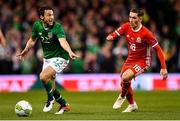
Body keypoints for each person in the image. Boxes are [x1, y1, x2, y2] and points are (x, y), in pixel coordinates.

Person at [17, 6, 79, 114]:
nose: (52, 17)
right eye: (48, 15)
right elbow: (32, 40)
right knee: (51, 86)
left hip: (60, 57)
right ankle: (64, 105)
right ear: (42, 17)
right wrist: (25, 50)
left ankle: (50, 99)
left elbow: (62, 41)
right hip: (47, 58)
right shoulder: (37, 26)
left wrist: (69, 51)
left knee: (43, 76)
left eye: (52, 15)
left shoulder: (57, 27)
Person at [106, 8, 168, 112]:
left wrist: (163, 68)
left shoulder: (146, 33)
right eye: (129, 17)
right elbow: (116, 33)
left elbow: (159, 50)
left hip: (142, 61)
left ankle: (121, 96)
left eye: (133, 17)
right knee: (123, 82)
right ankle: (132, 105)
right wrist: (111, 36)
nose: (130, 20)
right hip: (130, 59)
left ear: (140, 19)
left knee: (125, 78)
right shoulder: (126, 26)